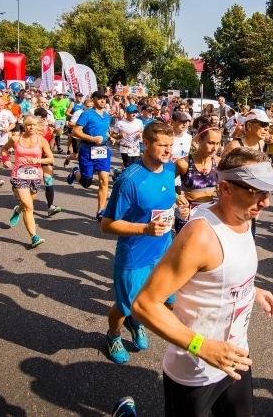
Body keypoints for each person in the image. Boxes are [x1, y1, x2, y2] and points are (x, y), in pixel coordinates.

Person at [132, 148, 273, 416]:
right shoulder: (201, 236)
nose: (266, 202)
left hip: (235, 357)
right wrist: (201, 346)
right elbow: (145, 305)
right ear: (225, 188)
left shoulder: (243, 218)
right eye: (256, 191)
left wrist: (251, 291)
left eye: (268, 192)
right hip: (195, 369)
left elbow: (221, 274)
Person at [100, 121, 185, 364]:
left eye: (170, 145)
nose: (167, 150)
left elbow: (163, 199)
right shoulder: (129, 180)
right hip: (134, 255)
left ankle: (136, 323)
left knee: (164, 299)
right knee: (125, 305)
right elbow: (106, 224)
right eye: (162, 145)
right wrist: (144, 229)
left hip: (163, 250)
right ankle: (113, 335)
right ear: (145, 144)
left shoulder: (169, 170)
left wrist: (179, 203)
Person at [0, 115, 54, 248]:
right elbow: (4, 150)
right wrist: (5, 160)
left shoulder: (41, 141)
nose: (31, 127)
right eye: (28, 125)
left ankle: (17, 210)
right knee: (29, 207)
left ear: (37, 127)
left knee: (27, 204)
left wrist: (38, 161)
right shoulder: (15, 139)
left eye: (34, 125)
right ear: (24, 125)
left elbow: (51, 159)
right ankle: (34, 236)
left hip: (35, 176)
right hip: (19, 175)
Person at [67, 90, 112, 220]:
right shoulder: (86, 114)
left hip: (103, 150)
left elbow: (104, 132)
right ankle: (76, 172)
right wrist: (92, 138)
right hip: (87, 150)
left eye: (104, 98)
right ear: (93, 100)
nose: (103, 100)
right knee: (86, 182)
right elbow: (76, 131)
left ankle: (100, 211)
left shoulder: (107, 116)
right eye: (100, 98)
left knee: (104, 180)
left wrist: (111, 137)